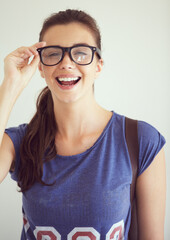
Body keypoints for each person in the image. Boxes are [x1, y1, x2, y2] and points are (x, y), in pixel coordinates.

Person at [0, 9, 166, 240]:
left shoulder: (141, 140)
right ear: (40, 66)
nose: (67, 63)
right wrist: (10, 85)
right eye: (53, 54)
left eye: (80, 53)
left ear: (98, 65)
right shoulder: (19, 141)